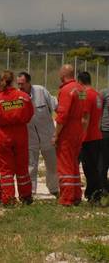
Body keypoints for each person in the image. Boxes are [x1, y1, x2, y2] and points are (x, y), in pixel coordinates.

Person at [0, 70, 34, 205]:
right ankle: (26, 196)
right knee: (22, 168)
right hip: (21, 133)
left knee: (6, 170)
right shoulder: (23, 97)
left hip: (3, 135)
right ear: (13, 81)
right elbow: (30, 114)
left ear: (2, 82)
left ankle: (8, 199)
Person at [17, 72, 59, 197]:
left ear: (29, 83)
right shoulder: (17, 96)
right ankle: (31, 191)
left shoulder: (41, 91)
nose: (20, 86)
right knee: (31, 166)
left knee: (52, 164)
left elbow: (56, 106)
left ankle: (54, 189)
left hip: (47, 135)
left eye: (22, 84)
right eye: (18, 84)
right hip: (30, 137)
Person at [52, 65, 86, 206]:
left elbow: (62, 116)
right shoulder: (81, 89)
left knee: (65, 166)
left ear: (63, 74)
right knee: (73, 165)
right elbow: (85, 111)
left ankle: (67, 198)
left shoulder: (65, 90)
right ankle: (76, 195)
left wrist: (56, 135)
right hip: (79, 130)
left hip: (67, 132)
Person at [78, 71, 105, 202]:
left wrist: (80, 136)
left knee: (88, 168)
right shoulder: (98, 95)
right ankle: (96, 193)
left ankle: (93, 195)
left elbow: (85, 118)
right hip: (97, 135)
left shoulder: (85, 94)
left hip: (88, 137)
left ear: (80, 82)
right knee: (94, 167)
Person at [100, 87, 109, 190]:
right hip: (105, 131)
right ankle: (103, 187)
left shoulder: (104, 93)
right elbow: (98, 110)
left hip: (104, 131)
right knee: (103, 161)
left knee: (103, 161)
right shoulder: (104, 93)